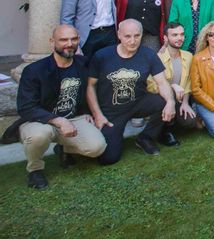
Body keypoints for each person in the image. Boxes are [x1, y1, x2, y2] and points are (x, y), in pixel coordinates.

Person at [2, 25, 106, 189]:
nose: (69, 44)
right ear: (52, 42)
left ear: (79, 40)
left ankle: (64, 149)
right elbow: (26, 107)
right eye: (64, 40)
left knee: (97, 147)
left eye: (73, 39)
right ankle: (35, 170)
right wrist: (58, 120)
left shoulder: (82, 64)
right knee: (40, 135)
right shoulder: (34, 70)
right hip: (40, 120)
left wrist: (88, 112)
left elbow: (89, 89)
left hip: (73, 118)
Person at [86, 19, 176, 164]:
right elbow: (90, 86)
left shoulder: (148, 55)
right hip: (112, 112)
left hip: (138, 102)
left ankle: (146, 137)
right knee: (108, 158)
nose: (133, 41)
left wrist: (170, 102)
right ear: (119, 35)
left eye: (137, 36)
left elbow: (162, 83)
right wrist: (97, 115)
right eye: (127, 36)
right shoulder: (102, 56)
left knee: (167, 100)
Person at [153, 22, 197, 147]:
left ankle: (174, 120)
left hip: (181, 98)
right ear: (166, 38)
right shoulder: (157, 58)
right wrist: (172, 86)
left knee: (190, 122)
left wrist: (185, 103)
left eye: (182, 34)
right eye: (175, 35)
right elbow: (152, 86)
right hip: (162, 100)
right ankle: (165, 131)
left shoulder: (188, 56)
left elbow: (188, 82)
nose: (179, 38)